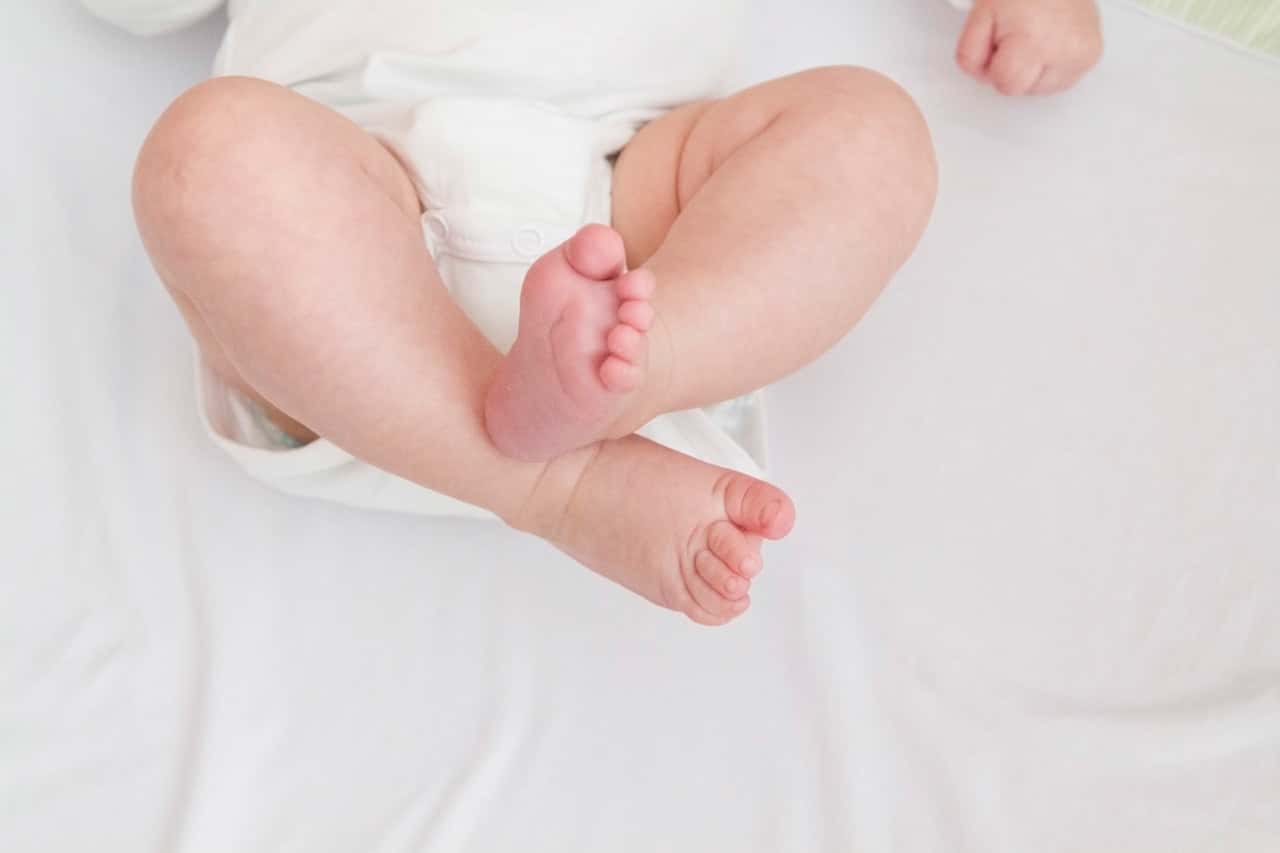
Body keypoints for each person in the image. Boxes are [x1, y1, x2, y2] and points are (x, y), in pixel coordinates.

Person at [88, 0, 1100, 625]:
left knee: (869, 133)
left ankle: (644, 366)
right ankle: (563, 486)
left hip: (638, 214)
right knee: (206, 158)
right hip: (354, 217)